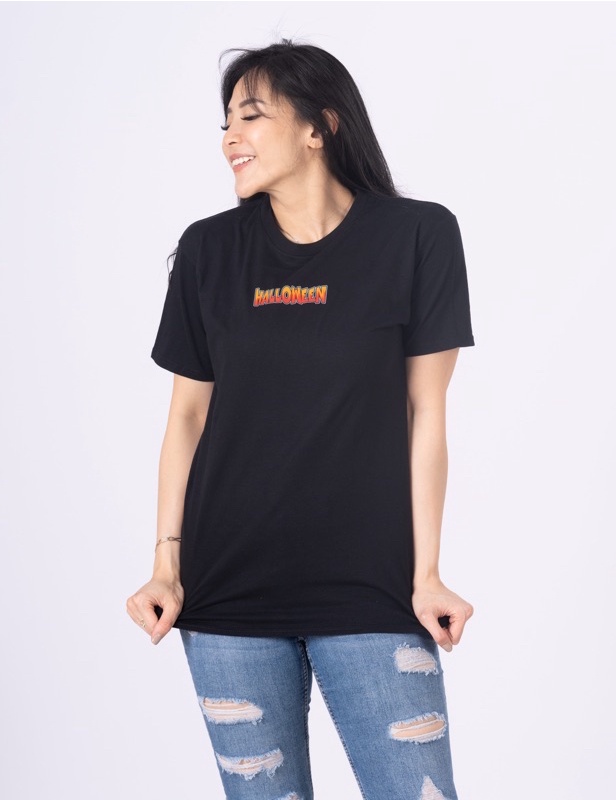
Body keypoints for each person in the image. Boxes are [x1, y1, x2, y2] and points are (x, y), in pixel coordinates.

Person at [126, 38, 476, 800]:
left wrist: (425, 575)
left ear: (320, 126)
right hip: (227, 594)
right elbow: (186, 419)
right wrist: (166, 566)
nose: (230, 137)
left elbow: (427, 412)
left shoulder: (417, 237)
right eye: (225, 122)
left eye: (251, 115)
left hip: (372, 588)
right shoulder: (209, 252)